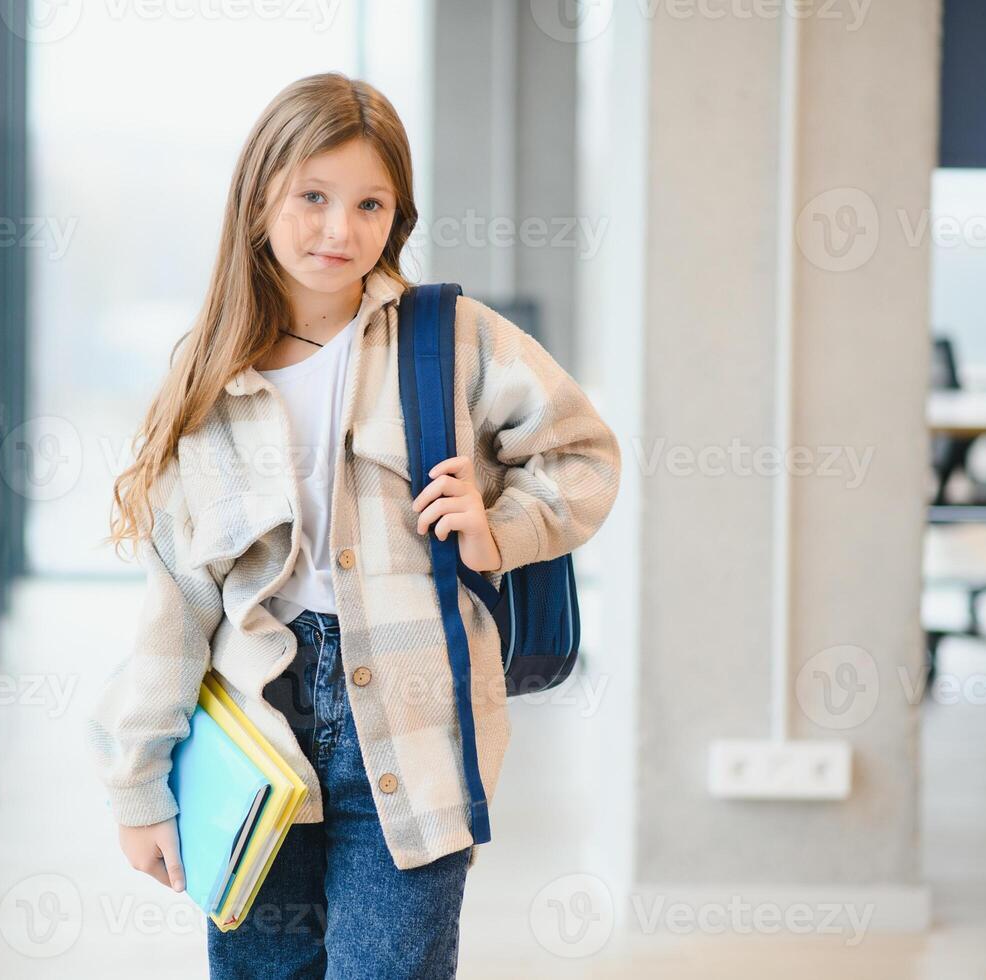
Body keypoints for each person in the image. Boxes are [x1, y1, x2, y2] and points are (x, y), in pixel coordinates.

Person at [86, 70, 622, 979]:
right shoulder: (210, 369)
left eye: (370, 203)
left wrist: (500, 526)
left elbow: (584, 458)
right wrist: (139, 785)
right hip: (258, 733)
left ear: (397, 218)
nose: (340, 229)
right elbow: (176, 597)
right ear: (259, 200)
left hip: (417, 724)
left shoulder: (452, 340)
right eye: (313, 197)